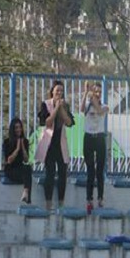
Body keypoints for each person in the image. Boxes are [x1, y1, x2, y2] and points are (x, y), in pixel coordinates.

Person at [35, 80, 74, 210]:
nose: (59, 93)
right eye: (57, 90)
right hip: (49, 144)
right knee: (50, 173)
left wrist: (61, 108)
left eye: (61, 91)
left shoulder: (65, 106)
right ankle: (48, 202)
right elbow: (47, 122)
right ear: (52, 91)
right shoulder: (45, 104)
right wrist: (56, 107)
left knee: (63, 173)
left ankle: (61, 202)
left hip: (60, 143)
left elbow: (69, 123)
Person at [81, 80, 109, 213]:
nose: (97, 94)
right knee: (90, 170)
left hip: (99, 138)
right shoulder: (88, 105)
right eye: (95, 91)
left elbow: (99, 110)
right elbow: (81, 109)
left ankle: (101, 198)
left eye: (99, 92)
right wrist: (86, 92)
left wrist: (93, 99)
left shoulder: (104, 106)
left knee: (100, 170)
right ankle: (89, 199)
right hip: (89, 138)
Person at [2, 117, 32, 205]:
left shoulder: (25, 141)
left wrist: (22, 147)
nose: (19, 129)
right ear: (13, 129)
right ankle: (28, 200)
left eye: (20, 127)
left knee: (28, 168)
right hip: (10, 169)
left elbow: (26, 159)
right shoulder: (7, 142)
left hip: (20, 169)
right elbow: (9, 160)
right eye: (16, 128)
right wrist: (17, 149)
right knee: (27, 175)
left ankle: (26, 193)